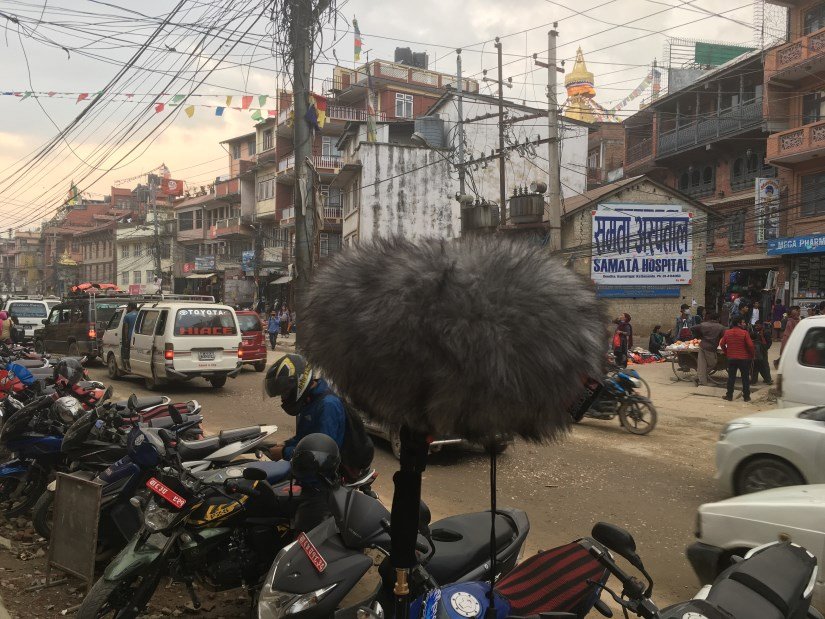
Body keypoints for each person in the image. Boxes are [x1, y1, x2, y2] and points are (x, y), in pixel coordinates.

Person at [264, 353, 346, 461]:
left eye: (285, 392)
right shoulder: (309, 400)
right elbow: (304, 439)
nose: (283, 398)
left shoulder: (327, 405)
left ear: (299, 382)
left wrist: (284, 453)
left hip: (324, 473)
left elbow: (321, 454)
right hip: (307, 467)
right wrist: (285, 445)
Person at [720, 317, 755, 402]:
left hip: (731, 358)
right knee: (745, 378)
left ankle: (729, 396)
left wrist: (727, 352)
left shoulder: (727, 332)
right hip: (744, 358)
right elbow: (750, 345)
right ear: (739, 324)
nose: (744, 324)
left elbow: (722, 344)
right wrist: (751, 354)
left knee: (731, 378)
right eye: (743, 322)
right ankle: (746, 397)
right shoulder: (745, 333)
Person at [691, 312, 726, 387]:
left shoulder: (703, 324)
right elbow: (725, 336)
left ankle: (700, 380)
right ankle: (699, 379)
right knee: (712, 364)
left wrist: (699, 336)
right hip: (710, 348)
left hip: (702, 346)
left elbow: (692, 328)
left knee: (702, 365)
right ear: (718, 319)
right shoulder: (720, 327)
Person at [750, 321, 773, 385]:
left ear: (762, 325)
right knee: (757, 365)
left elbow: (769, 343)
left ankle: (768, 380)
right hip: (757, 351)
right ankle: (761, 380)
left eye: (758, 326)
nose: (756, 327)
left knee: (764, 365)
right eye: (756, 326)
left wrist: (765, 349)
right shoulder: (755, 331)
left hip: (763, 351)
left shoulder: (766, 332)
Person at [121, 302, 139, 368]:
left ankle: (128, 366)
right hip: (138, 336)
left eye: (128, 307)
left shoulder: (127, 316)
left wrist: (125, 338)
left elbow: (126, 328)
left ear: (130, 307)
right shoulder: (139, 314)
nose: (127, 308)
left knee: (128, 352)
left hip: (130, 337)